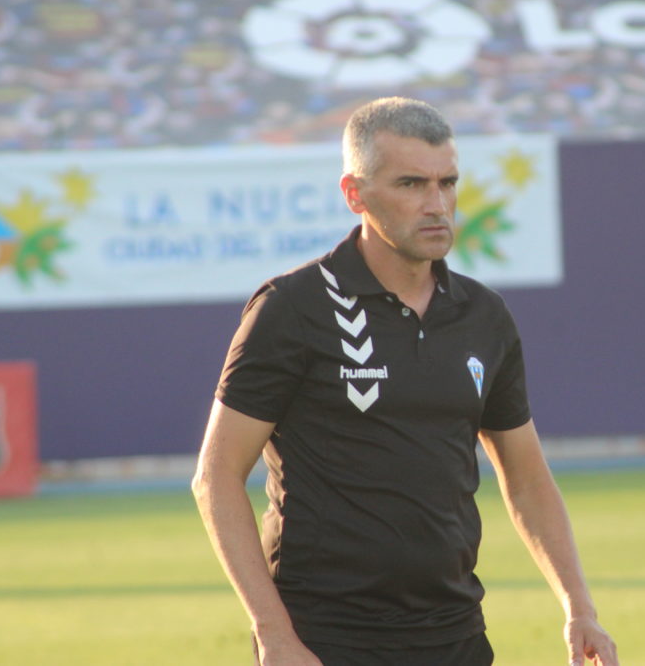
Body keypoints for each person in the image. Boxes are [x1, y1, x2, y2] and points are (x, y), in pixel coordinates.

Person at [192, 96, 618, 666]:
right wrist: (273, 633)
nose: (437, 204)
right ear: (355, 194)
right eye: (412, 184)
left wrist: (578, 607)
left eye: (448, 183)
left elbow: (527, 479)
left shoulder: (482, 316)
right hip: (324, 639)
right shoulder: (291, 309)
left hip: (455, 633)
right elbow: (215, 477)